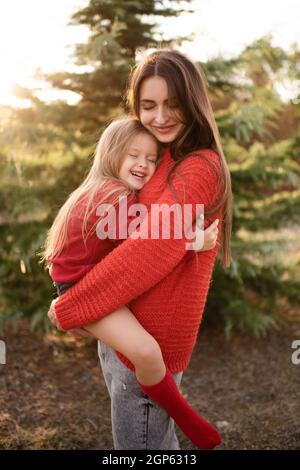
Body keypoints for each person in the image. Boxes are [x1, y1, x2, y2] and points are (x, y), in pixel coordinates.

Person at [47, 49, 232, 450]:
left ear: (194, 103)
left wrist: (72, 305)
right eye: (148, 106)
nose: (160, 116)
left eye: (174, 104)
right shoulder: (159, 156)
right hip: (119, 320)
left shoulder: (198, 166)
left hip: (150, 343)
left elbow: (151, 247)